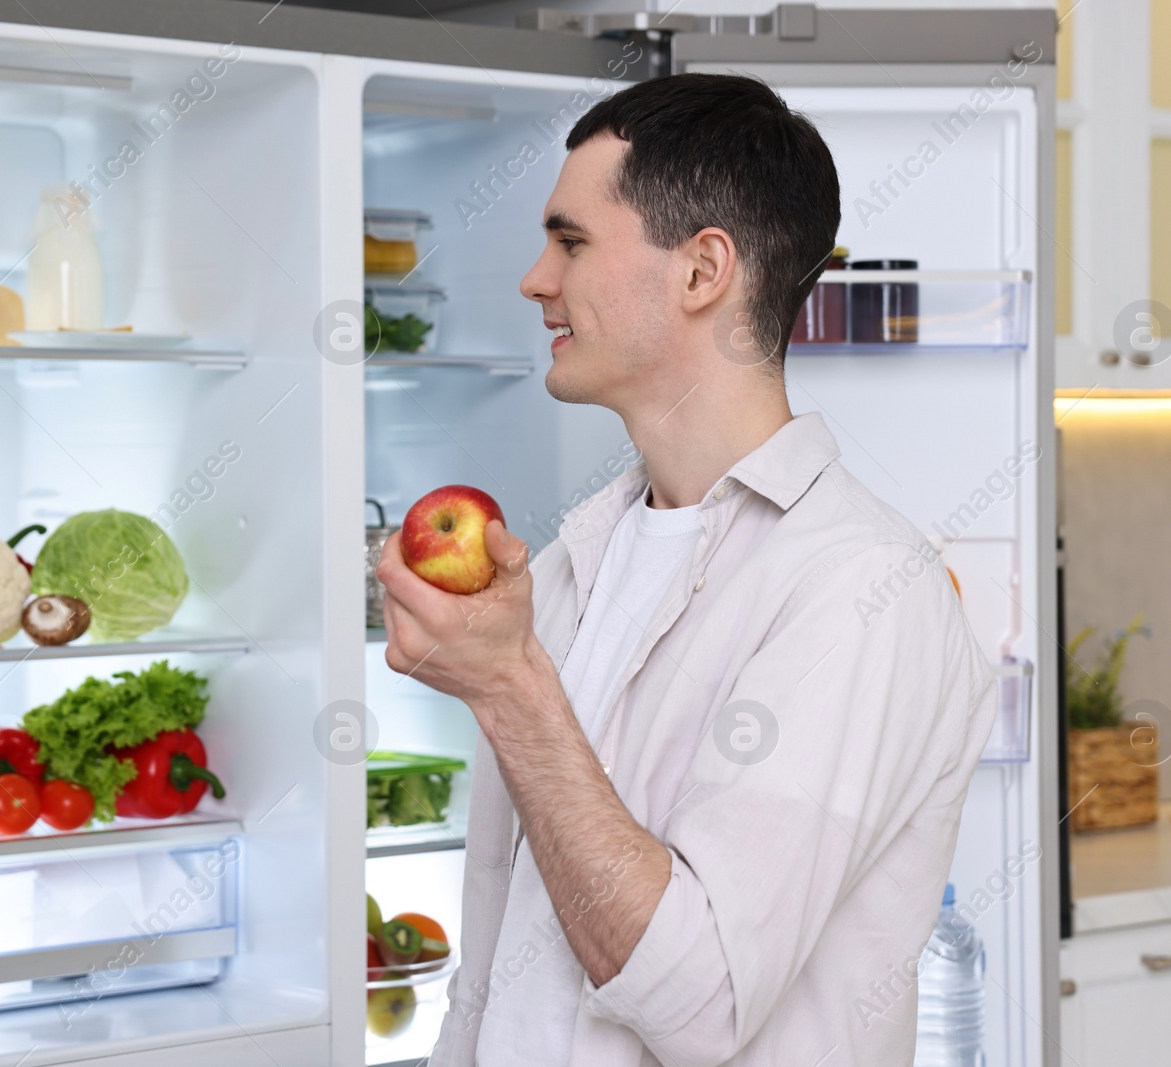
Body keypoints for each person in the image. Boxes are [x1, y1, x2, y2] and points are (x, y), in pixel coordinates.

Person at [375, 72, 996, 1067]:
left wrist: (506, 685)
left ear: (703, 271)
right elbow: (494, 973)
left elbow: (697, 1003)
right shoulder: (582, 558)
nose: (536, 279)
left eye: (570, 241)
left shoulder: (860, 591)